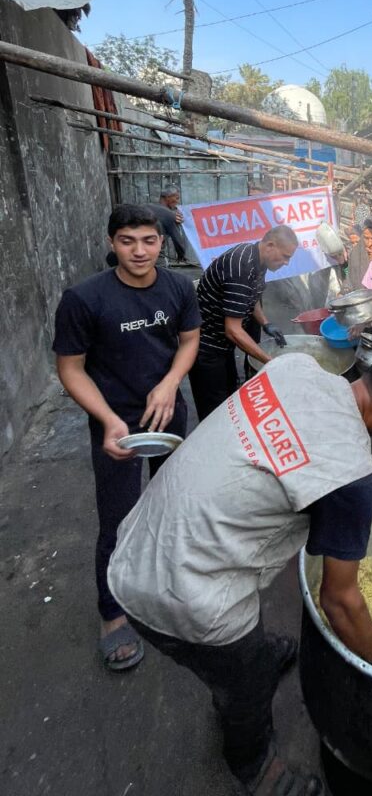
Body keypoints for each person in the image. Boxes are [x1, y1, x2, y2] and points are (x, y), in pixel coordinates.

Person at [108, 349, 372, 794]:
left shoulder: (294, 366)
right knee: (243, 686)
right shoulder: (353, 476)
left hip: (140, 538)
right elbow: (339, 602)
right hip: (180, 592)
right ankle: (258, 770)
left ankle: (256, 655)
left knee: (249, 644)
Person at [53, 204, 201, 671]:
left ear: (161, 241)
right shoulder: (84, 298)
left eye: (148, 240)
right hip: (115, 421)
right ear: (112, 243)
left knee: (171, 501)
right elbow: (70, 368)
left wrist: (172, 380)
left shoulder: (178, 286)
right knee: (117, 517)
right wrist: (106, 417)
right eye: (127, 241)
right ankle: (112, 614)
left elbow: (190, 339)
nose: (139, 251)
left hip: (167, 413)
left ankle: (168, 583)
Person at [190, 225, 299, 422]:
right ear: (270, 245)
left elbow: (252, 295)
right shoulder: (241, 267)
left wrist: (266, 323)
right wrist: (270, 362)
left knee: (231, 396)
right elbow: (233, 330)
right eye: (285, 256)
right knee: (214, 414)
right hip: (206, 348)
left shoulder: (258, 259)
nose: (286, 262)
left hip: (223, 346)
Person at [346, 216, 372, 290]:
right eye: (366, 238)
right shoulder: (356, 253)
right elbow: (349, 281)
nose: (369, 243)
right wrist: (343, 292)